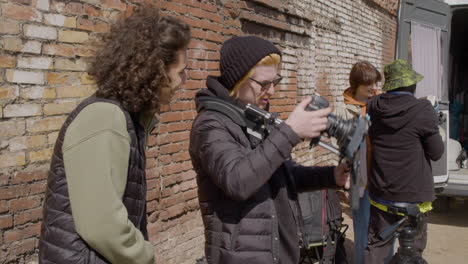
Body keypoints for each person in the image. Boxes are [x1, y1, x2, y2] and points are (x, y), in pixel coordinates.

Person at [39, 6, 191, 264]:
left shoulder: (125, 117)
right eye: (180, 71)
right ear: (155, 71)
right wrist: (146, 257)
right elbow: (102, 225)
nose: (183, 81)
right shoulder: (105, 117)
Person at [189, 35, 350, 264]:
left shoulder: (251, 117)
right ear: (238, 79)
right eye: (264, 84)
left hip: (275, 253)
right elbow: (238, 180)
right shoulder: (210, 124)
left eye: (276, 81)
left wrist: (331, 176)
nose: (272, 91)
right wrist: (290, 132)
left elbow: (283, 174)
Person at [364, 59, 444, 263]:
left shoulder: (373, 106)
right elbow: (436, 153)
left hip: (382, 194)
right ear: (412, 85)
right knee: (412, 253)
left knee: (378, 247)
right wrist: (432, 122)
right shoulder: (423, 110)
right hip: (414, 198)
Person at [334, 61, 382, 264]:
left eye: (375, 83)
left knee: (384, 231)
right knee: (362, 229)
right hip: (358, 176)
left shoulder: (383, 103)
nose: (373, 88)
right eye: (368, 84)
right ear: (356, 84)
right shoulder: (343, 110)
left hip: (382, 176)